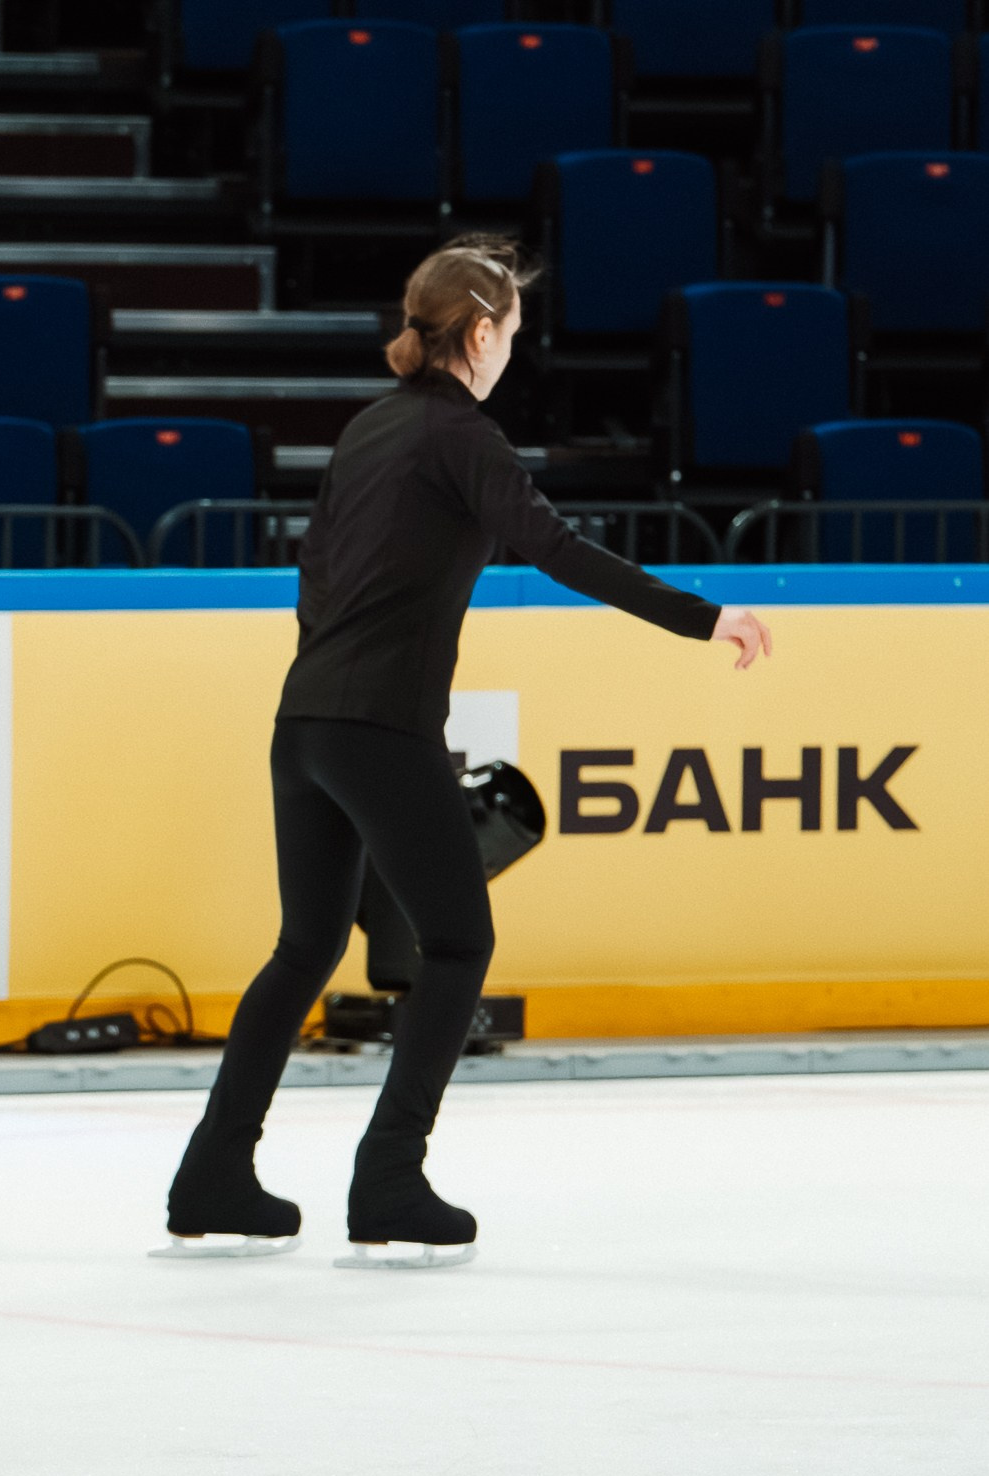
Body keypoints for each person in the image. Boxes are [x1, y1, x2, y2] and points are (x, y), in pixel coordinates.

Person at [157, 235, 773, 1271]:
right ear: (479, 333)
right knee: (456, 943)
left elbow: (313, 577)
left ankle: (212, 1171)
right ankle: (389, 1172)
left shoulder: (366, 428)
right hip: (377, 727)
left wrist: (342, 698)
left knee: (303, 947)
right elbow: (558, 547)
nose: (509, 357)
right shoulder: (461, 436)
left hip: (303, 722)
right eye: (511, 337)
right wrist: (702, 617)